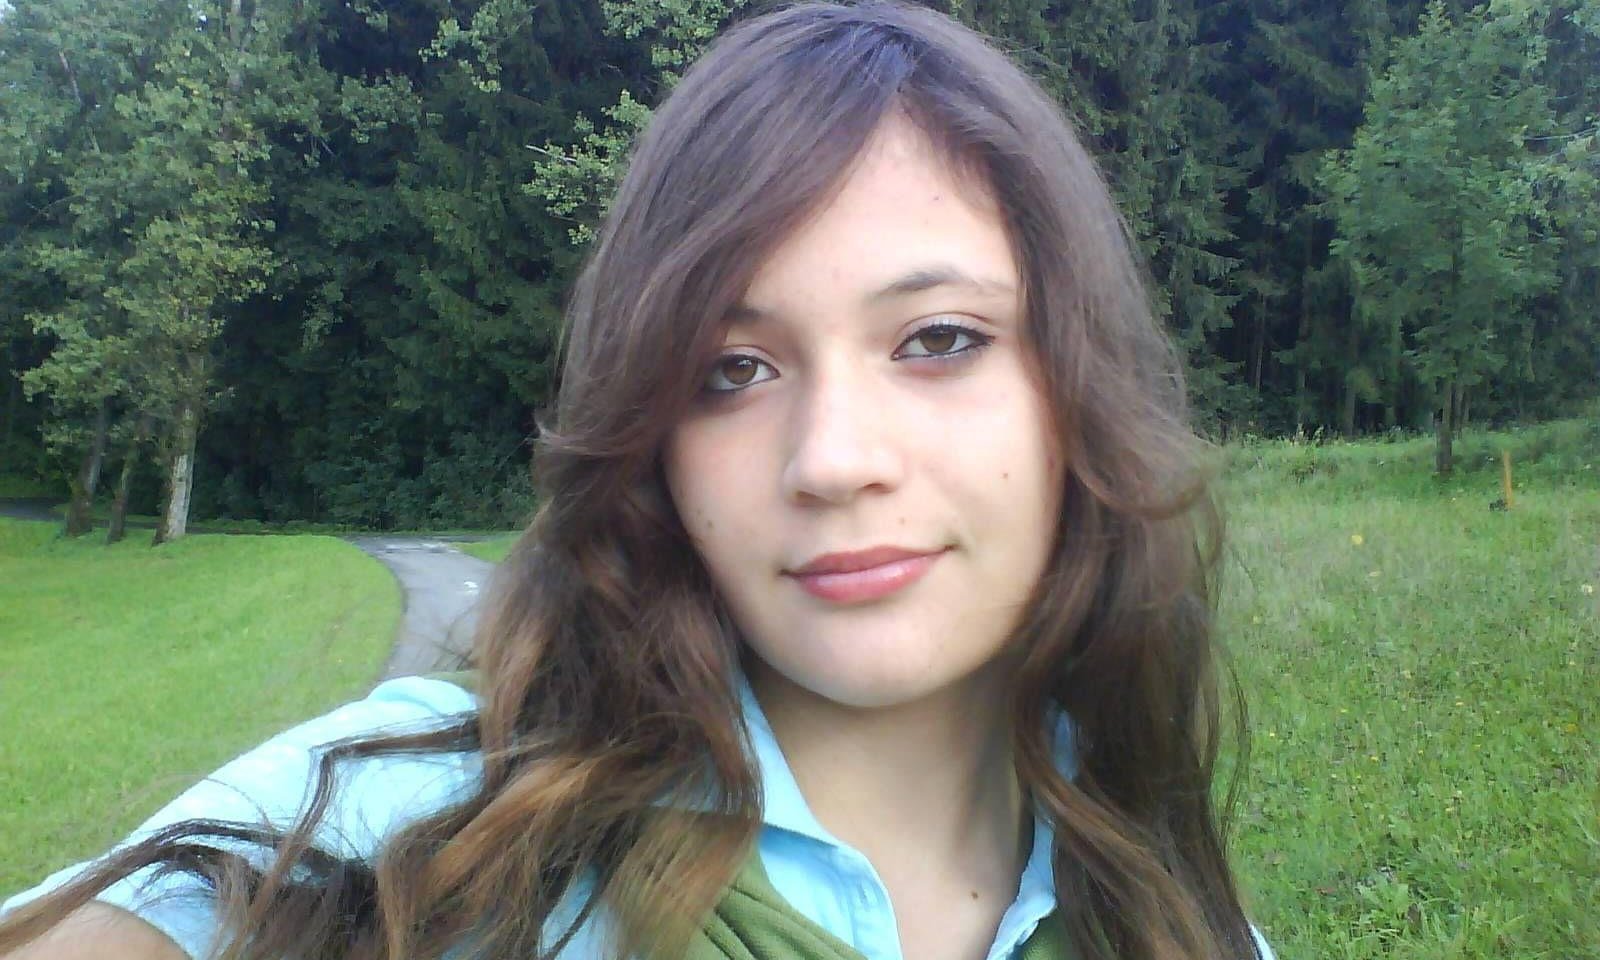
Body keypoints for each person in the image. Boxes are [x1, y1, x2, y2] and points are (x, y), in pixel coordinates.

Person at [0, 3, 1276, 959]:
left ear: (1075, 385)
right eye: (732, 369)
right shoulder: (409, 830)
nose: (833, 460)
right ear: (653, 433)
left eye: (938, 339)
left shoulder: (1180, 922)